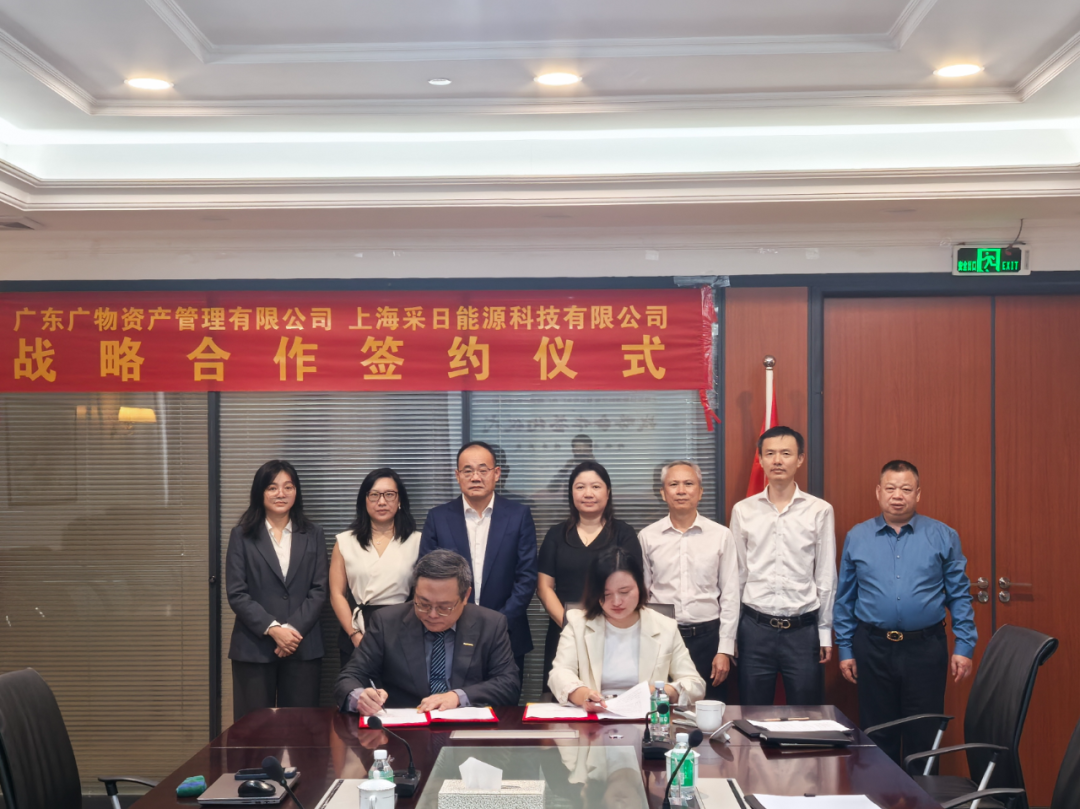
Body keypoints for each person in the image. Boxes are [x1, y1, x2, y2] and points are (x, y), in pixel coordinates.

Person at [834, 460, 977, 765]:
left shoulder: (943, 535)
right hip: (872, 647)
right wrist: (844, 648)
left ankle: (922, 792)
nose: (897, 495)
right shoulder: (857, 537)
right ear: (878, 492)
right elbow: (845, 598)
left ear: (918, 494)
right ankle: (881, 792)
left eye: (906, 489)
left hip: (925, 649)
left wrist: (964, 646)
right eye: (890, 488)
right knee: (876, 736)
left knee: (924, 736)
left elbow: (959, 595)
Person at [334, 549, 521, 713]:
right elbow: (349, 677)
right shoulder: (386, 622)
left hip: (466, 728)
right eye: (423, 604)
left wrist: (458, 697)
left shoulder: (490, 624)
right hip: (404, 728)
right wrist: (360, 698)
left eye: (444, 607)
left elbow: (508, 684)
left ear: (466, 596)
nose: (432, 614)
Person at [729, 426, 836, 705]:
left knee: (807, 716)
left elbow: (825, 576)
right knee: (752, 715)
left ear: (800, 459)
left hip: (803, 631)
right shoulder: (743, 510)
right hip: (754, 628)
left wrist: (825, 632)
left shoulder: (820, 510)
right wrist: (731, 635)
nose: (777, 460)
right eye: (770, 454)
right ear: (760, 459)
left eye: (786, 454)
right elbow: (736, 576)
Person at [419, 441, 538, 679]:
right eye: (468, 471)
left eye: (483, 470)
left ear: (496, 473)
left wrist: (500, 622)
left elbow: (526, 576)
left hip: (507, 632)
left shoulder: (518, 515)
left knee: (504, 699)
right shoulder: (438, 517)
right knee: (452, 699)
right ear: (457, 476)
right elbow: (426, 576)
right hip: (450, 632)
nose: (475, 477)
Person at [225, 460, 328, 721]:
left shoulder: (313, 534)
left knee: (301, 729)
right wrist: (273, 629)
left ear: (296, 491)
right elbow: (237, 593)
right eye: (272, 487)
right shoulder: (242, 535)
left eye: (288, 487)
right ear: (260, 492)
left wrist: (290, 632)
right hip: (254, 647)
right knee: (253, 730)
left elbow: (319, 589)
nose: (281, 493)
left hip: (302, 646)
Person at [548, 547, 705, 709]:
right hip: (596, 716)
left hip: (646, 718)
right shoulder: (578, 624)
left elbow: (695, 684)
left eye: (624, 592)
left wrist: (662, 691)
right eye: (606, 594)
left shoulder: (665, 626)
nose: (616, 602)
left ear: (640, 587)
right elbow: (559, 673)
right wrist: (584, 695)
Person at [537, 461, 642, 692]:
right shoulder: (556, 534)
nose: (588, 493)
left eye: (595, 486)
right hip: (563, 631)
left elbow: (633, 586)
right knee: (562, 696)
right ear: (571, 493)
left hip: (613, 633)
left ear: (608, 492)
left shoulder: (624, 534)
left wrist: (605, 626)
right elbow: (544, 587)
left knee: (608, 698)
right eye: (580, 487)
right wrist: (571, 626)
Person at [639, 460, 739, 701]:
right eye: (673, 484)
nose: (681, 490)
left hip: (708, 638)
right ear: (663, 493)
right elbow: (642, 594)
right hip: (661, 636)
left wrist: (724, 649)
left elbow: (730, 595)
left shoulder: (721, 535)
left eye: (688, 484)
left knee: (709, 708)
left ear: (700, 492)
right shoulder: (647, 536)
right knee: (661, 706)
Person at [329, 467, 420, 670]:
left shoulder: (417, 541)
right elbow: (336, 594)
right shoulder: (345, 542)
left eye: (389, 495)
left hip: (403, 628)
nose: (382, 502)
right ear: (364, 500)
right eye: (374, 495)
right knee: (359, 688)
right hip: (358, 628)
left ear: (400, 500)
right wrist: (354, 635)